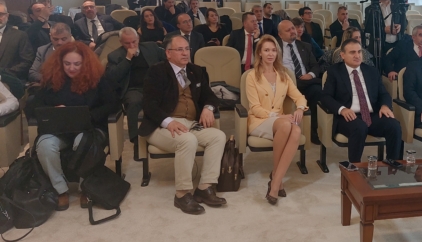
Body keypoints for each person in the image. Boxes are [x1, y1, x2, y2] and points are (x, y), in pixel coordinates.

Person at [138, 35, 227, 215]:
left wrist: (208, 108)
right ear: (168, 53)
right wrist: (169, 122)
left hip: (190, 123)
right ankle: (182, 194)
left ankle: (205, 187)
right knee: (187, 140)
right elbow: (149, 105)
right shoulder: (156, 72)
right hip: (160, 125)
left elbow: (210, 96)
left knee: (218, 136)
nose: (185, 53)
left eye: (187, 49)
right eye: (180, 50)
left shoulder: (196, 71)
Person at [26, 41, 119, 210]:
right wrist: (54, 110)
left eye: (77, 64)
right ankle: (60, 189)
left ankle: (86, 187)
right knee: (45, 145)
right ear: (60, 63)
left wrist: (89, 115)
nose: (72, 68)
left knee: (83, 143)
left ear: (85, 63)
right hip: (58, 130)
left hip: (89, 128)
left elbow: (112, 104)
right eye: (67, 64)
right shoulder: (51, 80)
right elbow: (33, 106)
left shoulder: (97, 79)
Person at [245, 35, 307, 204]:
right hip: (259, 120)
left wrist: (300, 108)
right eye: (266, 50)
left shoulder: (283, 75)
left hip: (280, 123)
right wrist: (278, 116)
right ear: (259, 53)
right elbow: (255, 108)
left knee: (296, 130)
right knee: (287, 125)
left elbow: (299, 97)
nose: (270, 54)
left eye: (273, 50)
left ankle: (275, 179)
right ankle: (276, 184)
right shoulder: (252, 76)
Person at [321, 39, 402, 163]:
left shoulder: (372, 71)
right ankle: (355, 166)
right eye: (352, 52)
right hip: (348, 116)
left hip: (371, 115)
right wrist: (342, 110)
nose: (357, 55)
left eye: (359, 52)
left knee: (394, 125)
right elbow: (326, 97)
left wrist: (385, 106)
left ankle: (392, 163)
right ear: (342, 55)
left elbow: (383, 94)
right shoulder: (334, 71)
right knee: (360, 127)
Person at [106, 27, 166, 144]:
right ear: (121, 42)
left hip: (154, 86)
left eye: (134, 41)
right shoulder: (114, 56)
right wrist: (128, 59)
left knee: (169, 98)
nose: (132, 45)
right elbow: (112, 77)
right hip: (133, 89)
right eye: (127, 43)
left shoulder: (151, 47)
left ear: (138, 38)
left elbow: (168, 58)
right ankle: (136, 139)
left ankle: (164, 132)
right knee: (133, 102)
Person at [277, 20, 322, 144]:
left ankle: (313, 131)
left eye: (293, 28)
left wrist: (310, 75)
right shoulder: (275, 47)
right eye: (288, 30)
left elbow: (315, 66)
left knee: (317, 91)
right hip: (284, 83)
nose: (293, 31)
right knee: (316, 84)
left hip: (305, 81)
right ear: (280, 34)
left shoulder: (305, 46)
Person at [0, 0, 34, 82]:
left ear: (7, 16)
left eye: (1, 14)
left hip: (10, 82)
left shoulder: (19, 35)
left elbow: (27, 62)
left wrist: (4, 74)